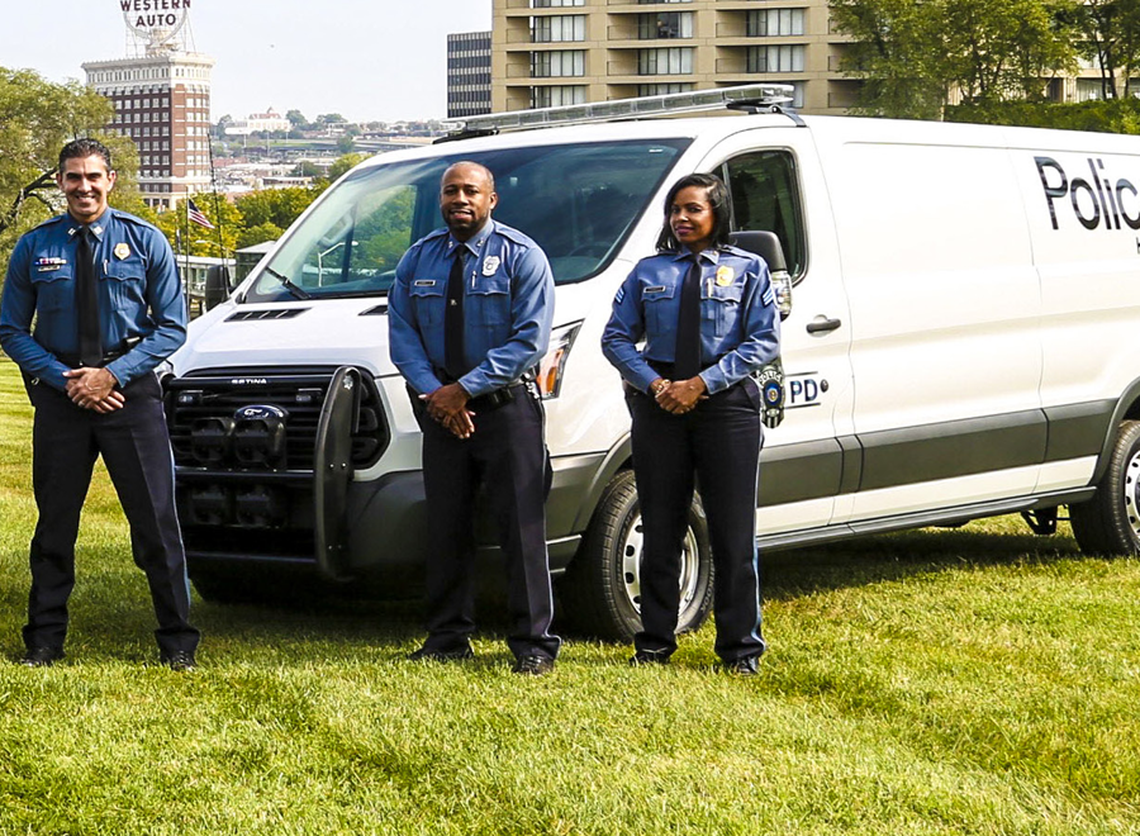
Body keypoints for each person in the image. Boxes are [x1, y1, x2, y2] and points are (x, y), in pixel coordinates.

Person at [0, 138, 200, 671]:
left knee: (156, 524)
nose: (83, 187)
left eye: (93, 177)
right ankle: (44, 642)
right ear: (60, 183)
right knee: (55, 524)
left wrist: (112, 373)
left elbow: (172, 327)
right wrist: (65, 379)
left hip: (129, 394)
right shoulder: (34, 246)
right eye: (73, 177)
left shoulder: (144, 240)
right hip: (64, 396)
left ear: (110, 180)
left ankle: (178, 640)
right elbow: (12, 330)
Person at [601, 172, 780, 675]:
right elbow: (615, 338)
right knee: (662, 527)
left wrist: (699, 384)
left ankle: (740, 649)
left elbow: (763, 341)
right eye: (675, 210)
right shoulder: (648, 272)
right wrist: (658, 386)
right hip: (660, 408)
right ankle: (655, 642)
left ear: (716, 213)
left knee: (732, 532)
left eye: (693, 209)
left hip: (725, 407)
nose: (681, 218)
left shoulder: (748, 269)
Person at [388, 161, 561, 675]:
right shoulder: (418, 259)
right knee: (446, 527)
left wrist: (462, 390)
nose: (459, 198)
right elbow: (403, 334)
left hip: (506, 411)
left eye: (470, 190)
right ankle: (447, 637)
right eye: (450, 191)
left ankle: (533, 644)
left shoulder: (521, 256)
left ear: (491, 200)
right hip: (440, 413)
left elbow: (530, 340)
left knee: (522, 529)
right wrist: (436, 395)